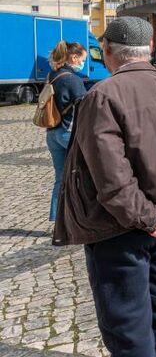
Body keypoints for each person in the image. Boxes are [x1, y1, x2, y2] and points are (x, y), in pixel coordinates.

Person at [53, 17, 156, 357]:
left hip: (119, 231)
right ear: (151, 48)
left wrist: (153, 217)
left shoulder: (103, 96)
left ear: (108, 52)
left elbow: (112, 179)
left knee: (129, 329)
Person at [44, 40, 88, 222]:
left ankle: (56, 219)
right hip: (68, 133)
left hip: (52, 133)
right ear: (74, 57)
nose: (83, 64)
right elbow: (85, 107)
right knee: (85, 175)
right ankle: (81, 218)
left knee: (60, 178)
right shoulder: (73, 80)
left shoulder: (52, 75)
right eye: (82, 60)